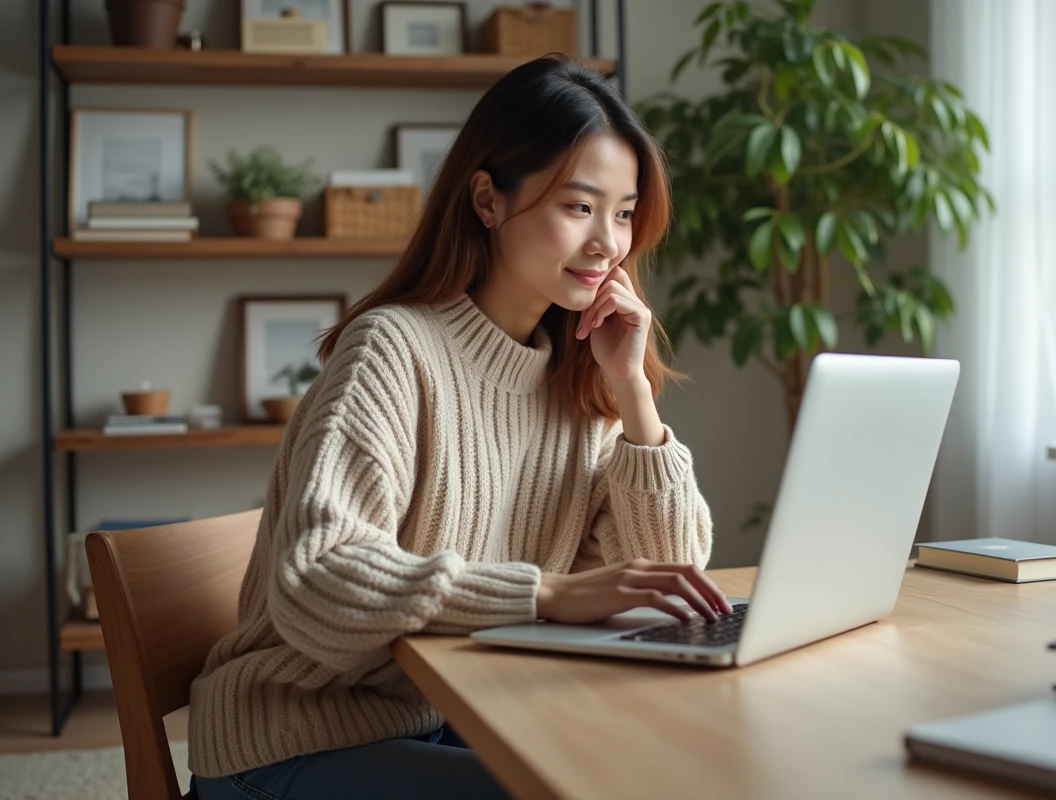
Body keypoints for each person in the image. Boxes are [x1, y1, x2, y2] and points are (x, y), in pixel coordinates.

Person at [189, 54, 729, 799]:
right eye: (579, 206)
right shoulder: (392, 348)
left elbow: (667, 579)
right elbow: (316, 582)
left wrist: (633, 394)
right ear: (486, 200)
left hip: (448, 714)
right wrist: (542, 594)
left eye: (625, 212)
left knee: (668, 767)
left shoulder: (577, 379)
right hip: (295, 737)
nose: (609, 242)